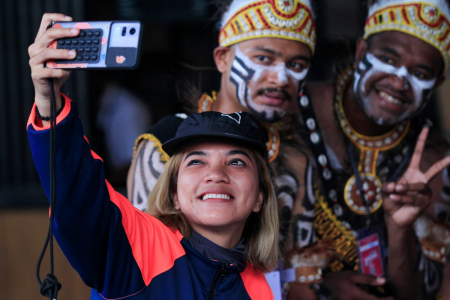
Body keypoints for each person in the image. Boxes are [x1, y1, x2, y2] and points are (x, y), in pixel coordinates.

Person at [27, 25, 282, 296]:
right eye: (196, 161)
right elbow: (79, 196)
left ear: (260, 197)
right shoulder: (136, 246)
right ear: (173, 193)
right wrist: (49, 102)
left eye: (236, 162)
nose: (216, 174)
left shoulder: (264, 289)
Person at [127, 1, 325, 297]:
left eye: (296, 65)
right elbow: (144, 261)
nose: (281, 79)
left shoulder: (297, 160)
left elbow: (299, 272)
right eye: (263, 58)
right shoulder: (164, 146)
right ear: (222, 58)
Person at [295, 0, 450, 298]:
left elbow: (418, 294)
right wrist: (312, 288)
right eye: (388, 59)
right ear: (360, 52)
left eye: (420, 73)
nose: (398, 81)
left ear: (437, 83)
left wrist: (400, 228)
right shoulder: (294, 114)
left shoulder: (436, 163)